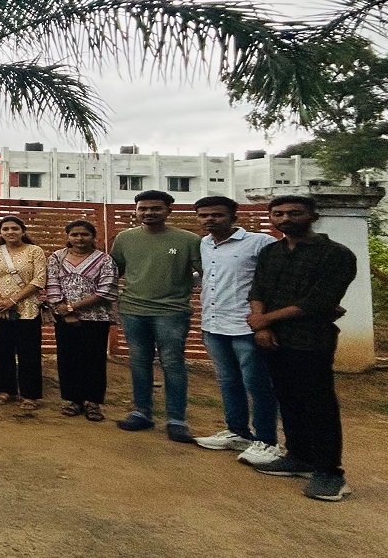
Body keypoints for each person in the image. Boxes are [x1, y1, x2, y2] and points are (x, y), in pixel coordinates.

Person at [247, 195, 358, 502]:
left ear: (313, 216)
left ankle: (329, 473)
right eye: (278, 213)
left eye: (294, 213)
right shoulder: (271, 251)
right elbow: (258, 288)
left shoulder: (335, 254)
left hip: (311, 338)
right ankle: (298, 457)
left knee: (317, 403)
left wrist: (262, 320)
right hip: (272, 339)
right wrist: (264, 327)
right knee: (287, 397)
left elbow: (318, 302)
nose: (285, 218)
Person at [192, 195, 282, 465]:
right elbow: (209, 277)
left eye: (217, 215)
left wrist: (265, 321)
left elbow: (272, 282)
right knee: (228, 382)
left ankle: (267, 441)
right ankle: (238, 432)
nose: (210, 219)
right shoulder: (204, 244)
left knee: (258, 384)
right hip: (214, 323)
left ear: (234, 217)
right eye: (204, 215)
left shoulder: (260, 243)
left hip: (247, 326)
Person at [110, 190, 202, 443]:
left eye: (155, 208)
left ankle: (176, 419)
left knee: (172, 363)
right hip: (133, 310)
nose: (149, 213)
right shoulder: (125, 238)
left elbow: (206, 273)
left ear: (169, 210)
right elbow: (114, 271)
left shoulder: (188, 240)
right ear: (136, 211)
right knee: (139, 362)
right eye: (143, 208)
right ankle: (141, 412)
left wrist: (184, 285)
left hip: (171, 312)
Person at [44, 220, 118, 422]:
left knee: (93, 360)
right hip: (65, 319)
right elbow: (51, 284)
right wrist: (65, 312)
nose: (79, 238)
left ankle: (93, 402)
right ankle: (72, 400)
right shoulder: (56, 258)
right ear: (67, 236)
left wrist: (73, 307)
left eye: (84, 234)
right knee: (68, 358)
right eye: (74, 234)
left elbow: (105, 290)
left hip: (96, 318)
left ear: (93, 237)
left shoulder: (104, 260)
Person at [0, 216, 47, 409]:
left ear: (23, 231)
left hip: (27, 308)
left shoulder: (35, 251)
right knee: (1, 351)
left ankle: (30, 395)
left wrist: (13, 300)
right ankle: (5, 390)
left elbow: (39, 280)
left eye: (15, 228)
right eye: (6, 229)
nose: (10, 232)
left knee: (29, 352)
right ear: (0, 232)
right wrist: (0, 301)